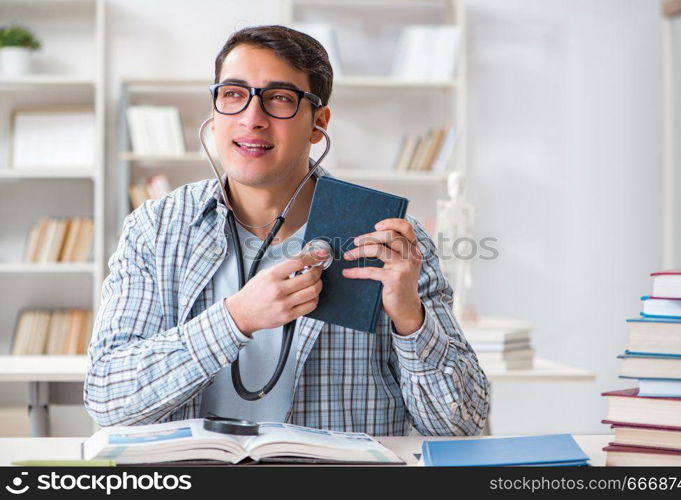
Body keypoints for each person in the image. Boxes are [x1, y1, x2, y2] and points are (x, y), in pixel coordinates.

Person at [84, 25, 490, 436]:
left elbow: (460, 425)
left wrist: (410, 317)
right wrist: (237, 318)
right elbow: (108, 399)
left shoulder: (389, 240)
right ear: (214, 110)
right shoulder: (155, 229)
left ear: (318, 123)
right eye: (233, 94)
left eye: (279, 98)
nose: (251, 118)